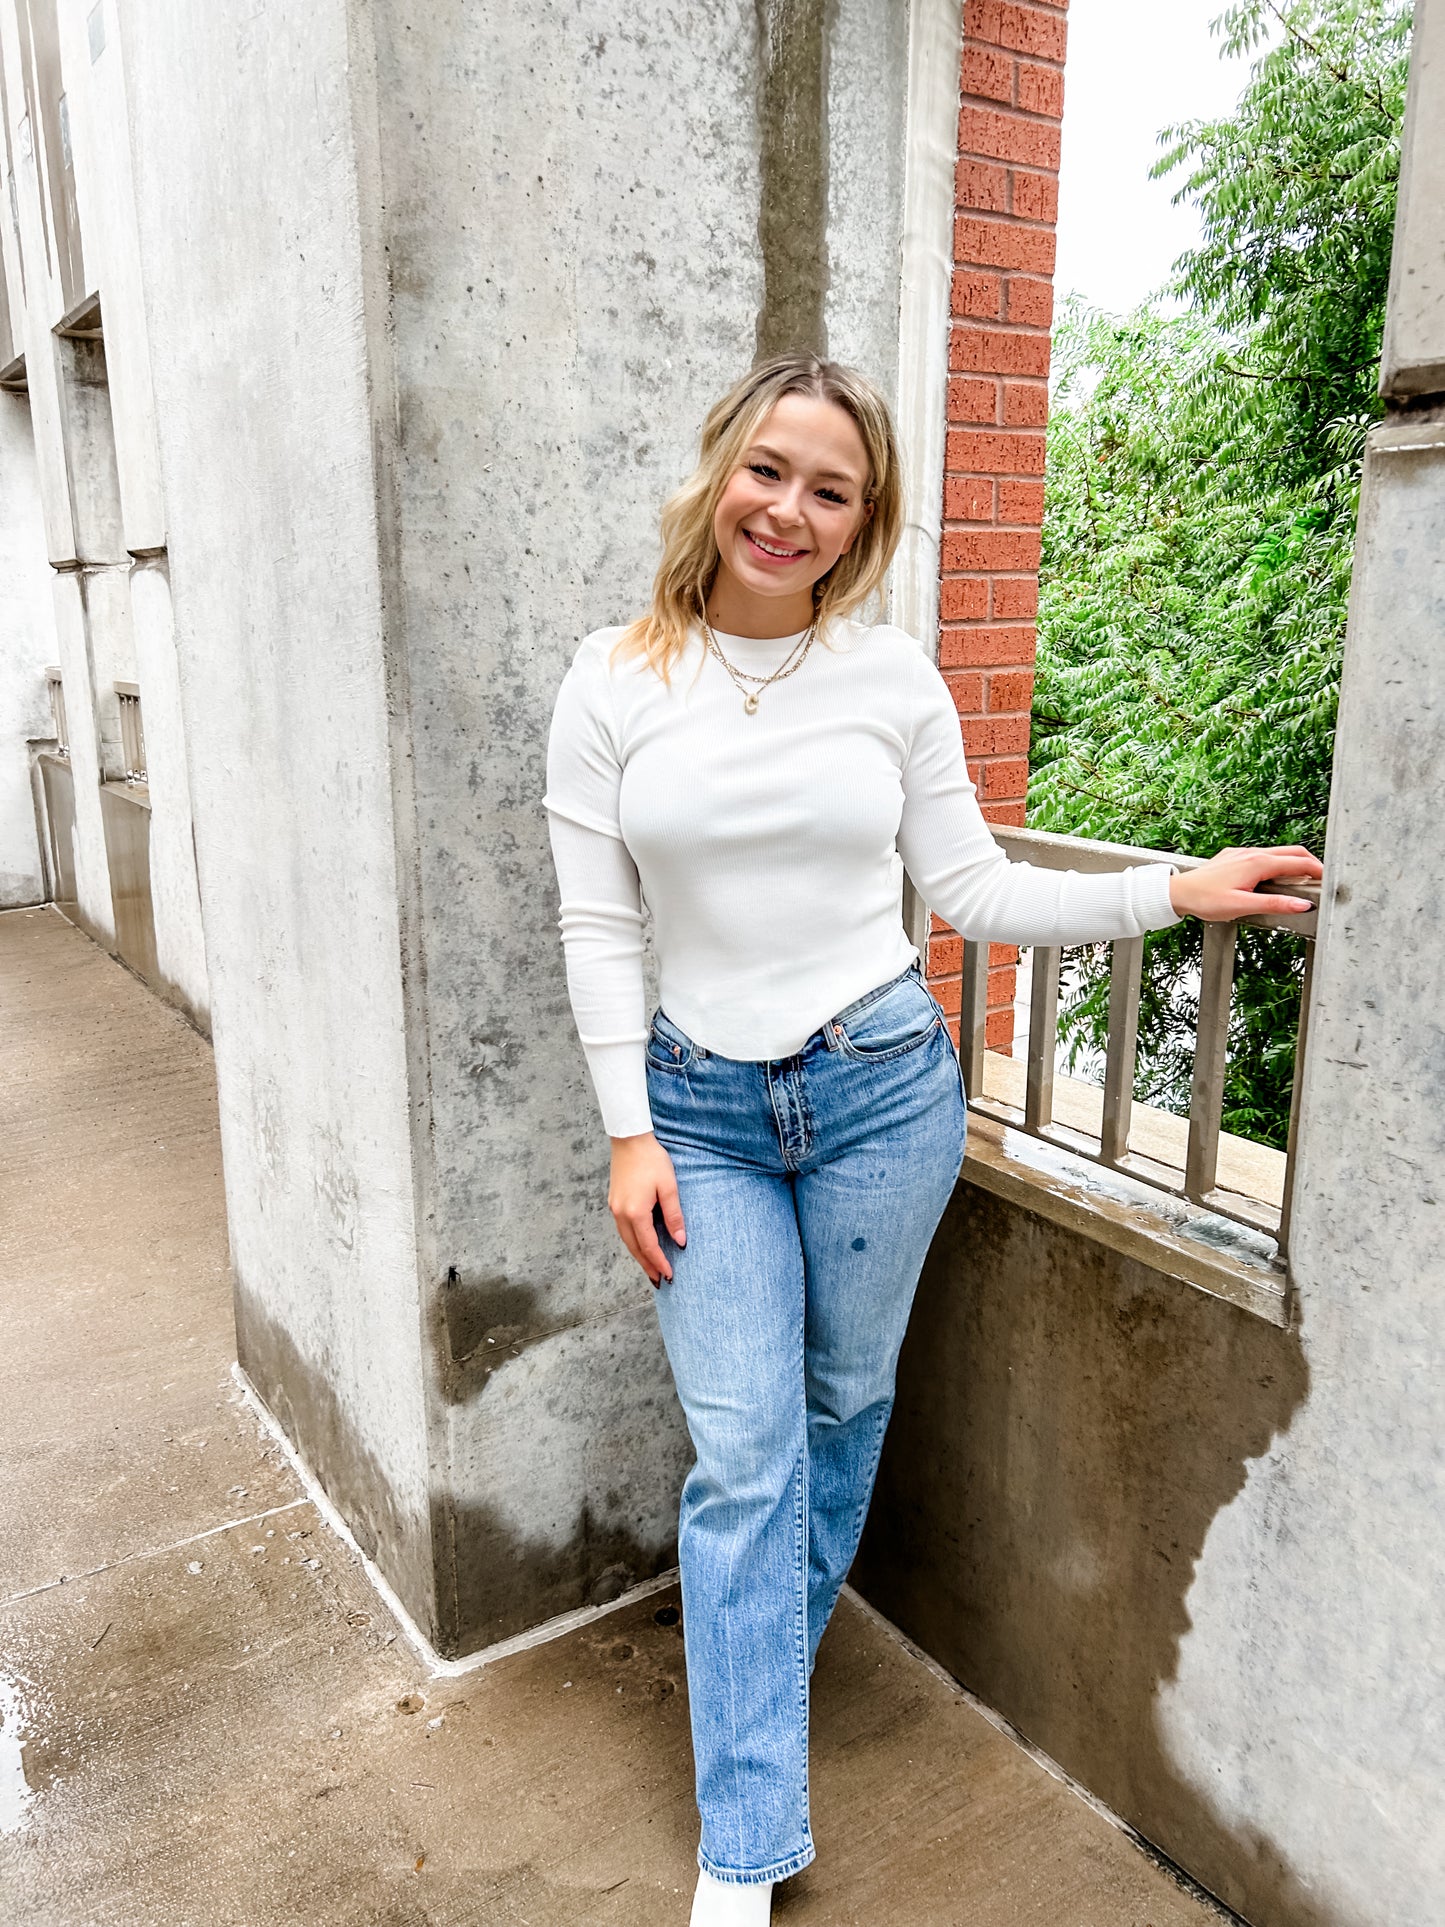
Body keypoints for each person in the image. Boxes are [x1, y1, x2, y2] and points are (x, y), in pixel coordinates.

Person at [543, 353, 1320, 1926]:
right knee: (746, 1456)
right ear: (721, 472)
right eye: (770, 470)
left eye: (830, 490)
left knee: (837, 1410)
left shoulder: (889, 680)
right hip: (696, 1107)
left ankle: (754, 1674)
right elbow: (595, 927)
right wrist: (628, 1132)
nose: (790, 510)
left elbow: (971, 892)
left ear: (861, 520)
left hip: (879, 1090)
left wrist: (1163, 891)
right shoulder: (613, 679)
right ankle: (744, 1842)